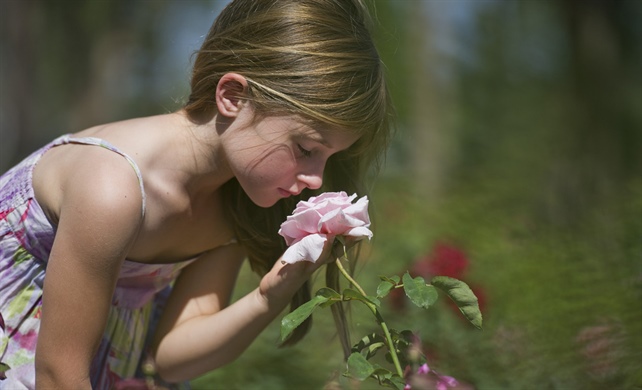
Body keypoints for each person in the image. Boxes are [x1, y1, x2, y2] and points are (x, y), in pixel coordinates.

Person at [0, 0, 393, 388]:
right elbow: (56, 375)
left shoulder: (231, 202)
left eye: (329, 157)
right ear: (233, 97)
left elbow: (172, 359)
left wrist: (270, 294)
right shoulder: (112, 187)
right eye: (306, 149)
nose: (316, 179)